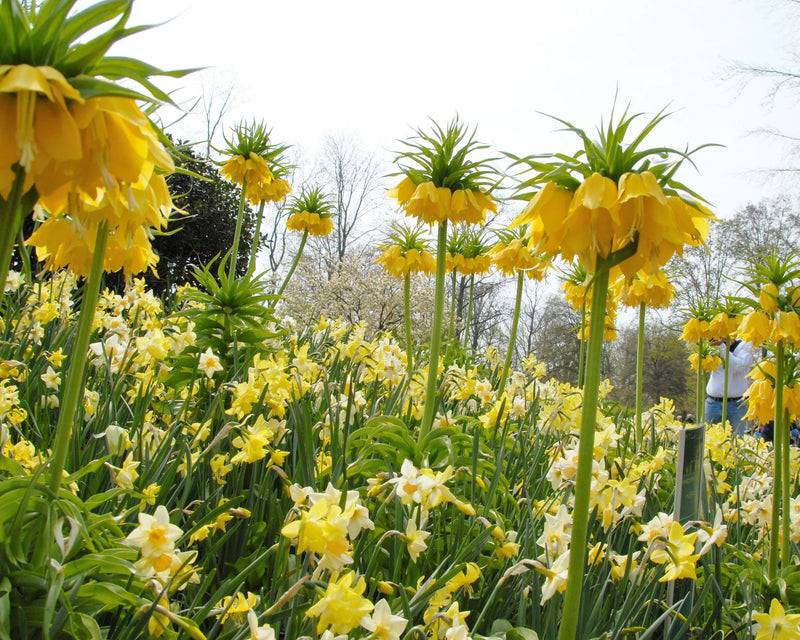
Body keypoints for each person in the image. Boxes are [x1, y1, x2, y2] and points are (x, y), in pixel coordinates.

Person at [705, 338, 755, 437]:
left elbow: (738, 367)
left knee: (736, 441)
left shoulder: (747, 344)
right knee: (708, 439)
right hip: (713, 402)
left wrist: (722, 347)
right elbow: (706, 367)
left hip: (736, 405)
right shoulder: (717, 342)